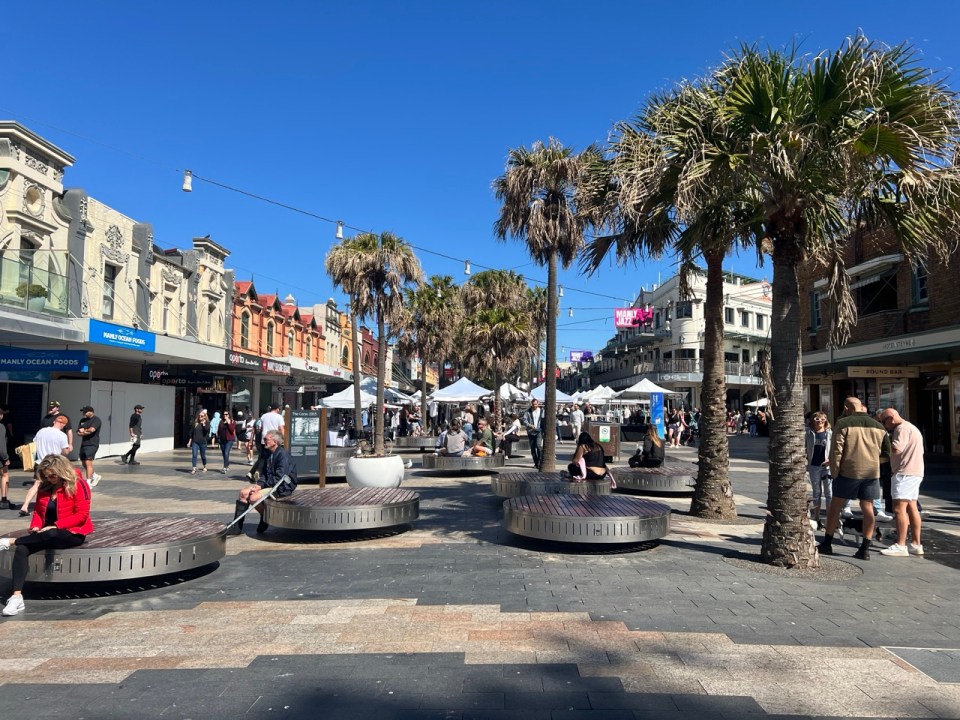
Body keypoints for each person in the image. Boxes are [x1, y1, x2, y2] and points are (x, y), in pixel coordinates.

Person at [0, 454, 93, 616]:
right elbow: (38, 512)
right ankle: (16, 597)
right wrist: (35, 526)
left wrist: (54, 526)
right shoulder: (45, 487)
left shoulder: (79, 484)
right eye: (46, 475)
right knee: (22, 549)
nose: (49, 478)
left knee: (51, 534)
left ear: (62, 471)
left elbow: (82, 515)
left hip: (72, 532)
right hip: (45, 533)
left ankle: (12, 541)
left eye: (53, 475)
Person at [819, 397, 891, 560]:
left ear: (847, 407)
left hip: (848, 471)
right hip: (871, 472)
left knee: (835, 506)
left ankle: (827, 543)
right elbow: (886, 453)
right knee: (868, 508)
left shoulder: (843, 424)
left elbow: (836, 451)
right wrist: (873, 461)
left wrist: (835, 472)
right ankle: (864, 548)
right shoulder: (878, 426)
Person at [227, 429, 298, 535]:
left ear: (275, 441)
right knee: (243, 493)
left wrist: (262, 486)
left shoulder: (282, 456)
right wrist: (259, 484)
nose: (264, 441)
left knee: (253, 498)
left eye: (266, 439)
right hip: (270, 484)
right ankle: (237, 526)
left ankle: (265, 517)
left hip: (282, 487)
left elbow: (279, 478)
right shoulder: (268, 454)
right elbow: (264, 474)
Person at [878, 409, 925, 557]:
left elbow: (897, 449)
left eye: (883, 422)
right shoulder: (911, 427)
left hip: (904, 473)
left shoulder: (901, 429)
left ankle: (901, 544)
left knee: (899, 508)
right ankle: (916, 544)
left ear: (890, 418)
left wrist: (883, 443)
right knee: (912, 507)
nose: (884, 425)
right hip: (915, 471)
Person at [805, 412, 833, 527]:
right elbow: (804, 447)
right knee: (816, 492)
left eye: (823, 419)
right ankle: (816, 516)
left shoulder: (829, 433)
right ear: (813, 420)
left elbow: (835, 447)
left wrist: (831, 459)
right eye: (817, 419)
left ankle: (829, 517)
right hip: (814, 466)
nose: (820, 421)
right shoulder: (808, 433)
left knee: (829, 493)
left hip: (827, 466)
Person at [248, 404, 284, 481]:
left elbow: (259, 427)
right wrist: (283, 438)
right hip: (274, 439)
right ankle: (261, 472)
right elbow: (281, 428)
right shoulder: (279, 417)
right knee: (272, 457)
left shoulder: (264, 416)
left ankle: (253, 472)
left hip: (264, 439)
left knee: (263, 457)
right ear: (277, 409)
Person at [76, 405, 102, 487]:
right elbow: (78, 432)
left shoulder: (96, 420)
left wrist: (84, 431)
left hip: (92, 444)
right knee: (83, 463)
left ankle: (88, 482)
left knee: (88, 462)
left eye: (85, 412)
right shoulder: (82, 420)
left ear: (91, 412)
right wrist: (83, 432)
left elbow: (92, 430)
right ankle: (94, 475)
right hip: (84, 444)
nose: (83, 413)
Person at [522, 399, 544, 469]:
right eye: (533, 404)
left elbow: (544, 420)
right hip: (531, 431)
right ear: (531, 404)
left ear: (538, 404)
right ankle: (536, 463)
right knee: (533, 448)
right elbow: (524, 420)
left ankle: (540, 462)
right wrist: (530, 425)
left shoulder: (542, 411)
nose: (534, 406)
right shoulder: (528, 412)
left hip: (539, 431)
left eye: (536, 404)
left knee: (538, 446)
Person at [0, 408, 9, 509]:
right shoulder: (1, 426)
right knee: (4, 475)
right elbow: (1, 445)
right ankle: (4, 500)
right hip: (0, 458)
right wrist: (5, 457)